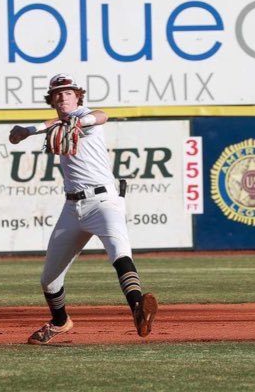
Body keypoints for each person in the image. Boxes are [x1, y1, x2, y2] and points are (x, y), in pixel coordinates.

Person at [9, 73, 158, 345]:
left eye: (68, 92)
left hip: (104, 202)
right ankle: (59, 322)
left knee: (120, 254)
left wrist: (77, 119)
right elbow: (51, 124)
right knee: (49, 280)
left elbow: (102, 115)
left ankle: (138, 309)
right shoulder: (58, 123)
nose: (63, 96)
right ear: (51, 99)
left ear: (78, 96)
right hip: (72, 208)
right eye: (57, 93)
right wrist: (27, 131)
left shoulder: (86, 117)